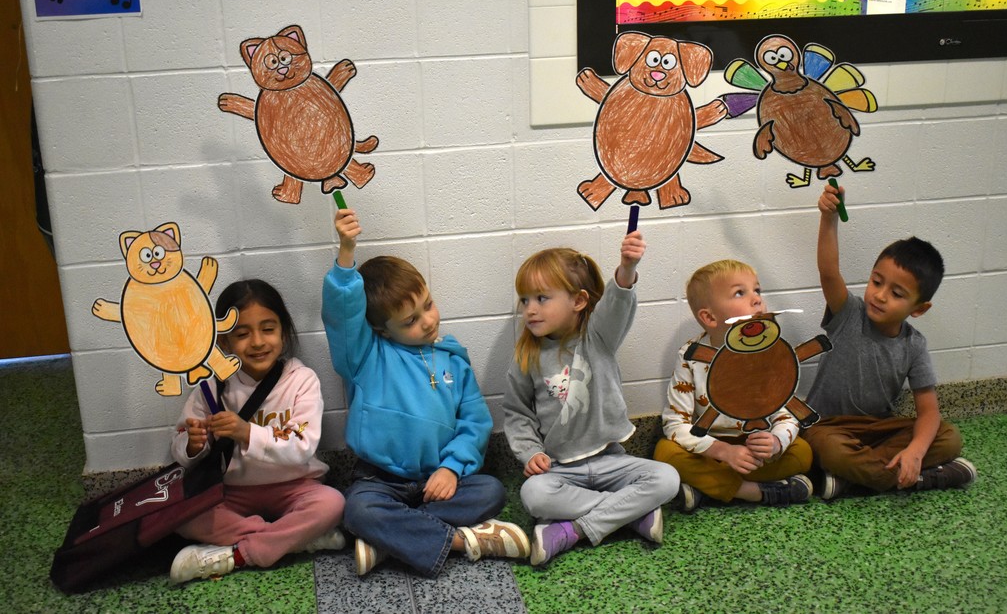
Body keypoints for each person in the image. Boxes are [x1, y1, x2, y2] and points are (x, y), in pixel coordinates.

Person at [322, 208, 529, 578]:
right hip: (380, 482)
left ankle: (391, 540)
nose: (428, 320)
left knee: (492, 491)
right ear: (382, 330)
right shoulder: (366, 356)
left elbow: (475, 422)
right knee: (358, 510)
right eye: (410, 321)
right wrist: (346, 252)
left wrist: (451, 468)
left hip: (442, 480)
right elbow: (341, 317)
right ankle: (461, 541)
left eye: (428, 305)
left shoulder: (453, 359)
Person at [503, 232, 679, 567]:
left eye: (541, 298)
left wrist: (627, 269)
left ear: (579, 301)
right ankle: (631, 515)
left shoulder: (598, 337)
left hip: (610, 461)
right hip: (559, 469)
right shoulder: (526, 356)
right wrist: (530, 452)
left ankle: (573, 531)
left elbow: (616, 306)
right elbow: (517, 412)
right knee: (533, 495)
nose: (530, 309)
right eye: (524, 300)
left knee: (667, 478)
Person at [804, 183, 976, 501]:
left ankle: (858, 481)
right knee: (827, 450)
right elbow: (828, 272)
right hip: (827, 427)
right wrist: (828, 218)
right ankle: (919, 478)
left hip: (879, 430)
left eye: (897, 294)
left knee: (949, 438)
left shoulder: (914, 345)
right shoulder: (849, 314)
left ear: (919, 309)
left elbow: (929, 413)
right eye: (876, 282)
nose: (880, 296)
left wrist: (914, 450)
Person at [169, 279, 346, 584]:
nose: (258, 342)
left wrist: (247, 432)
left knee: (333, 504)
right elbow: (182, 447)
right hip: (233, 492)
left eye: (268, 329)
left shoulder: (301, 380)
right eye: (242, 334)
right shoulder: (212, 387)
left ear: (283, 332)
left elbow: (302, 446)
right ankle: (291, 540)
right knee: (181, 515)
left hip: (295, 485)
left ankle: (237, 554)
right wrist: (193, 445)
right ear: (224, 342)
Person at [653, 260, 814, 512]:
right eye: (740, 292)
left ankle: (707, 492)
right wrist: (722, 451)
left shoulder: (773, 352)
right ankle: (754, 492)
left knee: (802, 452)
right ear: (709, 317)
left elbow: (788, 414)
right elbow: (675, 424)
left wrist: (775, 442)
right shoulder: (691, 356)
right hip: (709, 449)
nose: (757, 299)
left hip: (755, 452)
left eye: (757, 290)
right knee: (664, 454)